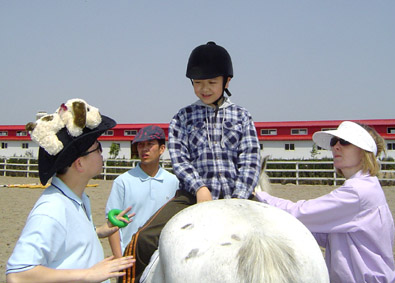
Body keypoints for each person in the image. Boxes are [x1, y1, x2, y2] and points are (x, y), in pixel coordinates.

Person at [121, 41, 261, 283]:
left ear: (227, 82)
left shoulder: (242, 116)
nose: (204, 89)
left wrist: (240, 196)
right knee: (142, 240)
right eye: (198, 83)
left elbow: (250, 158)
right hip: (191, 195)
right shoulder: (182, 117)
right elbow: (180, 158)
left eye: (211, 83)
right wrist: (199, 188)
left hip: (238, 194)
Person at [6, 98, 134, 283]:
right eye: (97, 148)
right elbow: (17, 274)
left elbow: (66, 239)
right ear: (79, 163)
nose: (102, 153)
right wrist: (89, 274)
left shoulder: (77, 198)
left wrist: (98, 231)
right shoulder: (51, 209)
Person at [256, 121, 395, 282]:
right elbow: (331, 237)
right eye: (333, 142)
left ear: (364, 151)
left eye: (345, 142)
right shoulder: (367, 186)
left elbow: (301, 212)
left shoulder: (357, 192)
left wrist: (262, 196)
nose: (336, 147)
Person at [105, 125, 179, 258]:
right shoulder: (123, 182)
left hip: (164, 255)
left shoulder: (174, 182)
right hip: (131, 254)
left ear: (162, 148)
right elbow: (112, 224)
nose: (144, 149)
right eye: (140, 145)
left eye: (150, 144)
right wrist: (119, 260)